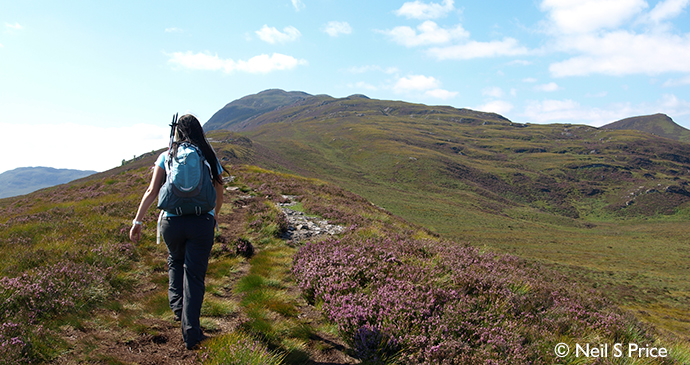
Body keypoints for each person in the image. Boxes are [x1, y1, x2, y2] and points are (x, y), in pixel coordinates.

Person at [129, 113, 226, 350]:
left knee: (175, 260)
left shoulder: (166, 156)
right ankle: (191, 332)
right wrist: (214, 216)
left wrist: (137, 221)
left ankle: (177, 308)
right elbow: (219, 190)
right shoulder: (208, 156)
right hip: (201, 222)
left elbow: (152, 190)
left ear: (177, 132)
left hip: (171, 223)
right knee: (194, 276)